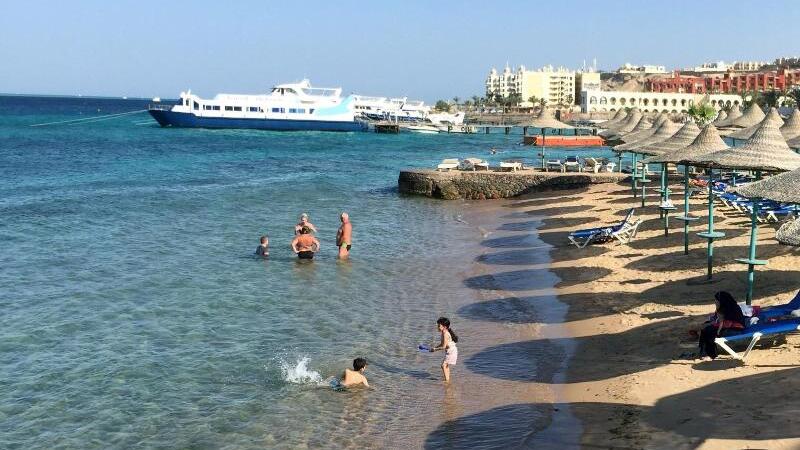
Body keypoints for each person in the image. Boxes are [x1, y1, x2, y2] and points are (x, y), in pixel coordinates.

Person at [697, 291, 746, 360]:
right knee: (707, 329)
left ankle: (710, 354)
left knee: (708, 332)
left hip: (735, 329)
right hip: (728, 327)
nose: (715, 301)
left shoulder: (730, 309)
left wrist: (717, 329)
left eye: (716, 300)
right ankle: (706, 352)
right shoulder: (726, 306)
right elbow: (716, 318)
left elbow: (726, 323)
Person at [429, 317, 459, 382]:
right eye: (437, 325)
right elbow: (442, 344)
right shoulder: (443, 332)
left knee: (443, 365)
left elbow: (443, 346)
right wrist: (434, 348)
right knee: (446, 365)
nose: (437, 327)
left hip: (451, 351)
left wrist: (435, 350)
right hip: (450, 351)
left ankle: (447, 381)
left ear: (444, 327)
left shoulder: (445, 334)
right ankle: (447, 379)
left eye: (439, 325)